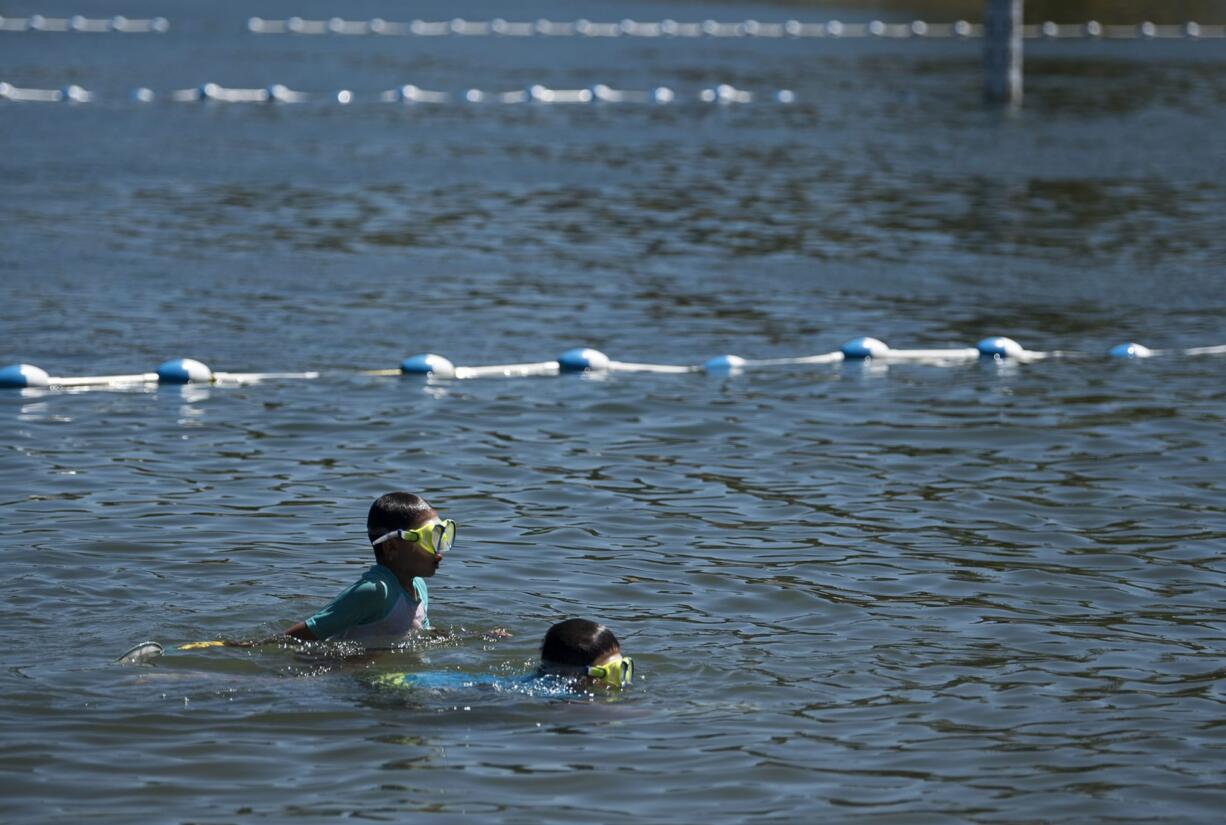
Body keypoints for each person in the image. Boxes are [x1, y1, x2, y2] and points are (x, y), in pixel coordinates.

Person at [282, 492, 454, 646]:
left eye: (440, 539)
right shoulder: (375, 592)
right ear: (391, 548)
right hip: (354, 677)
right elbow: (298, 635)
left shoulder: (419, 586)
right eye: (428, 540)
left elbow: (419, 631)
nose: (439, 554)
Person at [375, 618, 633, 693]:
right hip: (412, 687)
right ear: (581, 677)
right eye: (613, 670)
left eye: (623, 666)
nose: (623, 677)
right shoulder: (565, 699)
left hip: (414, 680)